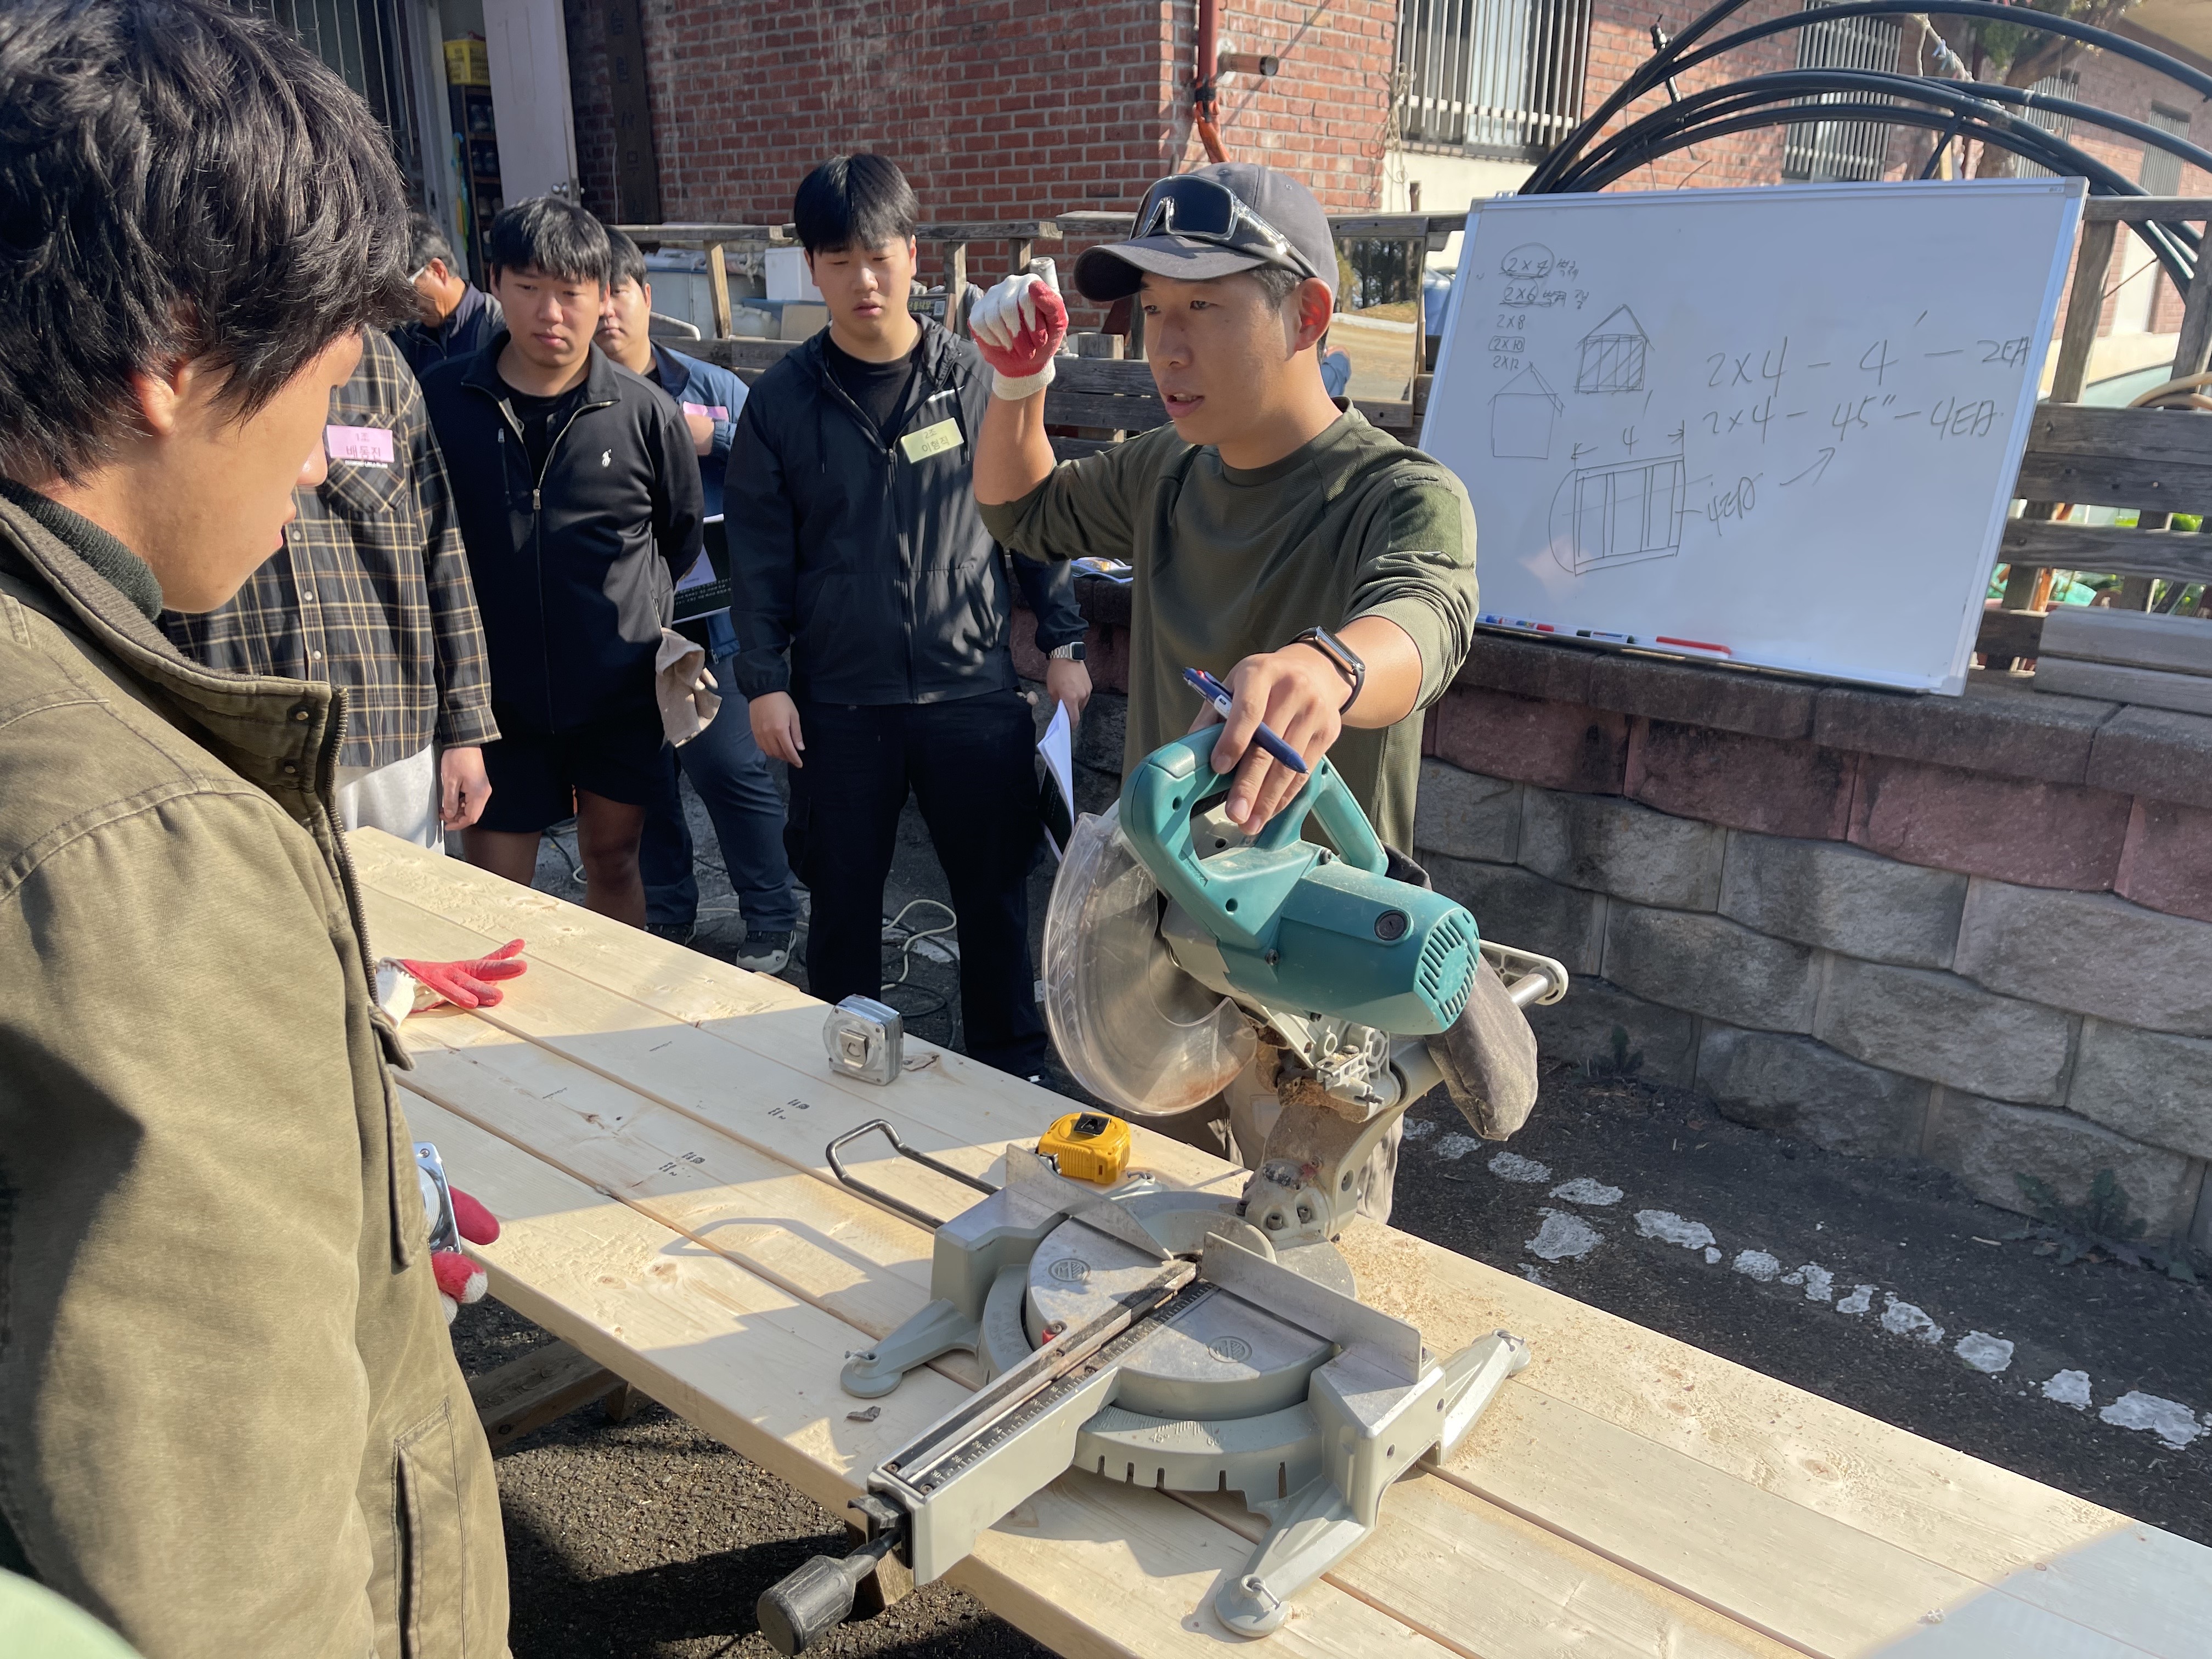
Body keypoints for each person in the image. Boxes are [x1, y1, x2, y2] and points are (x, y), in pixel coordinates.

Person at [0, 2, 507, 1652]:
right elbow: (223, 1581)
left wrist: (361, 1222)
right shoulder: (141, 847)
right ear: (173, 351)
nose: (315, 453)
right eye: (323, 374)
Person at [970, 162, 1480, 1209]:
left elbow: (1426, 615)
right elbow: (1023, 512)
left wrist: (1330, 667)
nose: (1165, 344)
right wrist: (1019, 386)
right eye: (1154, 309)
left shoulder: (1398, 493)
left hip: (1321, 964)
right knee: (1143, 1221)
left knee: (1301, 1258)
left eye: (1203, 306)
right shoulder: (1164, 468)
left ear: (1308, 316)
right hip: (1160, 939)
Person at [727, 154, 1091, 1076]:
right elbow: (759, 556)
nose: (864, 279)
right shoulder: (780, 402)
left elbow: (1032, 509)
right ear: (812, 268)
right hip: (839, 701)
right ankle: (847, 1063)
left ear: (914, 255)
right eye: (840, 259)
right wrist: (764, 681)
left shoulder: (973, 377)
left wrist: (1061, 640)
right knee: (842, 898)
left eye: (880, 255)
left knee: (994, 896)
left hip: (969, 689)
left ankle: (1010, 1067)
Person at [420, 199, 704, 928]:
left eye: (571, 292)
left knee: (614, 860)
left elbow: (678, 537)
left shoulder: (644, 412)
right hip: (494, 699)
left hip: (618, 696)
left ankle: (612, 1002)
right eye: (529, 287)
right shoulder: (444, 402)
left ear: (603, 295)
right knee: (497, 892)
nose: (551, 312)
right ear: (495, 283)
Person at [163, 328, 498, 848]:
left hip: (387, 725)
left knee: (406, 898)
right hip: (239, 732)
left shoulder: (378, 364)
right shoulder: (194, 352)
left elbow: (442, 547)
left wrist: (466, 731)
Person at [597, 228, 800, 970]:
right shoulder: (580, 398)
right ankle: (668, 912)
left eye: (619, 291)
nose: (607, 311)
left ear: (646, 297)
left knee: (730, 770)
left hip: (711, 620)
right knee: (645, 782)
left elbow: (781, 458)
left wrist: (710, 435)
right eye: (594, 295)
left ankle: (772, 917)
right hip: (621, 624)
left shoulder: (709, 388)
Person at [393, 211, 505, 378]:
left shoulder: (498, 328)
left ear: (438, 271)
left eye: (407, 288)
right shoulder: (413, 339)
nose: (405, 303)